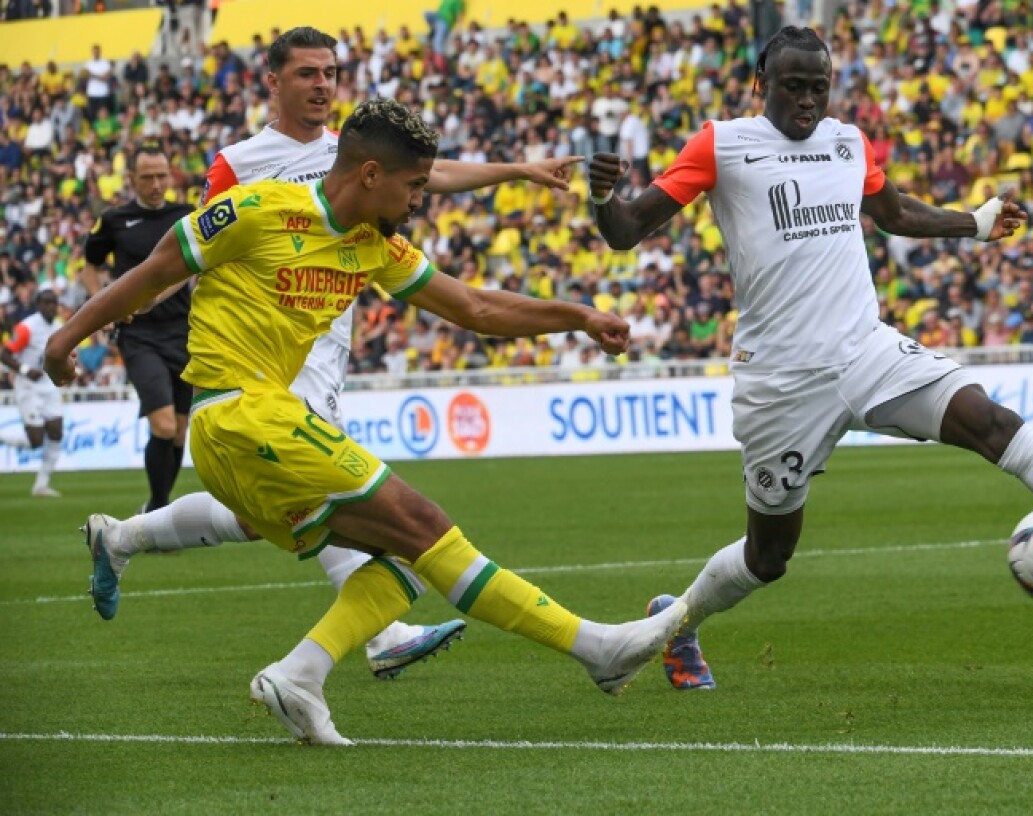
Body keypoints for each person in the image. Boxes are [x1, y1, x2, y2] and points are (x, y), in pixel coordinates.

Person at [585, 26, 1033, 692]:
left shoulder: (847, 141)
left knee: (993, 423)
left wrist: (972, 223)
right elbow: (627, 231)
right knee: (768, 557)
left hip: (866, 349)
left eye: (818, 88)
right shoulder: (722, 145)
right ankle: (675, 624)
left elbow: (894, 212)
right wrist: (604, 197)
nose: (806, 101)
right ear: (758, 85)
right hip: (781, 382)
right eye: (792, 87)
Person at [44, 98, 688, 745]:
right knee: (427, 527)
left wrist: (576, 316)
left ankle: (301, 672)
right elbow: (155, 270)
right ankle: (595, 648)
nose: (419, 201)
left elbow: (474, 307)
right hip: (241, 415)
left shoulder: (372, 245)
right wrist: (62, 341)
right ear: (372, 174)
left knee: (413, 556)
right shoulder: (258, 208)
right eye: (413, 186)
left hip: (259, 431)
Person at [82, 26, 586, 680]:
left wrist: (515, 170)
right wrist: (150, 299)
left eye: (330, 74)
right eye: (307, 74)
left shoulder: (351, 153)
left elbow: (436, 177)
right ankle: (377, 635)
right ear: (273, 82)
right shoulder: (242, 162)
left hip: (327, 333)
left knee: (263, 511)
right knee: (343, 495)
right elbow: (197, 249)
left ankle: (123, 536)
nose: (323, 85)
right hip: (269, 343)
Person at [82, 143, 196, 513]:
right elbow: (90, 267)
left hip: (185, 332)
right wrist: (103, 304)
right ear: (131, 178)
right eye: (147, 177)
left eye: (162, 175)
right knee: (163, 426)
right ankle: (159, 510)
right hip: (139, 335)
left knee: (179, 432)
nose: (155, 184)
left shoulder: (188, 216)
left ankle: (155, 509)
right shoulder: (114, 220)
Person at [0, 288, 64, 497]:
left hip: (48, 385)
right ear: (38, 305)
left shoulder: (59, 327)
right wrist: (26, 371)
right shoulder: (27, 327)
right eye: (46, 303)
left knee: (56, 430)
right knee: (36, 441)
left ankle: (41, 485)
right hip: (28, 386)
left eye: (54, 303)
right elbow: (5, 354)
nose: (51, 307)